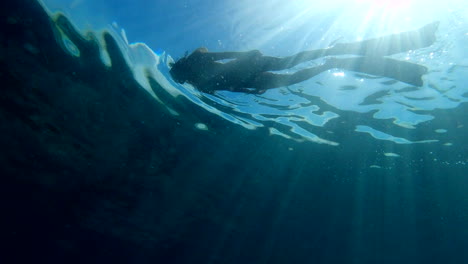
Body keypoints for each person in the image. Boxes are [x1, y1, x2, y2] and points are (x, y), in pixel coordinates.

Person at [169, 22, 439, 94]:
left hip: (250, 68)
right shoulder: (200, 82)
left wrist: (247, 57)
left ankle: (333, 55)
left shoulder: (195, 66)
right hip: (251, 73)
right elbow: (228, 83)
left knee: (293, 67)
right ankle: (332, 59)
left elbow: (221, 57)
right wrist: (252, 90)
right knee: (293, 71)